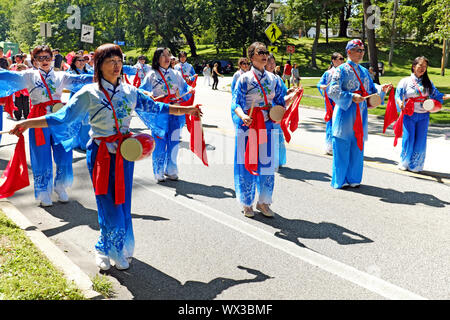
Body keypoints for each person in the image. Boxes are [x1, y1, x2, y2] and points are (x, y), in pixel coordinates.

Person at [8, 43, 201, 271]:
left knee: (122, 201)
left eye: (119, 60)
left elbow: (157, 108)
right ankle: (107, 248)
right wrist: (26, 123)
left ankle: (113, 246)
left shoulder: (130, 92)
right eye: (111, 61)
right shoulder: (88, 94)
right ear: (99, 66)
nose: (117, 65)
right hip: (100, 153)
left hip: (124, 153)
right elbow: (61, 119)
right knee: (106, 202)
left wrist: (187, 110)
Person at [0, 45, 94, 206]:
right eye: (40, 58)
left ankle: (61, 186)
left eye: (47, 57)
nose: (44, 61)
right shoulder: (29, 75)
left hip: (59, 117)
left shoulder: (61, 76)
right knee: (41, 155)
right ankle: (43, 191)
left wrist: (102, 74)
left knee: (65, 154)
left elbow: (82, 80)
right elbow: (7, 77)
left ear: (52, 59)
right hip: (38, 117)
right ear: (34, 60)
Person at [231, 42, 286, 218]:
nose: (264, 55)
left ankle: (264, 201)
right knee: (247, 164)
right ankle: (247, 203)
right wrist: (242, 116)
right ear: (251, 57)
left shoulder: (274, 79)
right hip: (250, 126)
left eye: (266, 52)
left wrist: (284, 104)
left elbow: (280, 101)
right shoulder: (244, 79)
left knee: (267, 165)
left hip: (268, 126)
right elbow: (236, 103)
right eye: (260, 52)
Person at [328, 39, 392, 189]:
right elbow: (333, 90)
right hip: (345, 112)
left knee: (358, 145)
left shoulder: (363, 71)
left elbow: (371, 88)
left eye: (362, 50)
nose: (361, 53)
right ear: (348, 52)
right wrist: (351, 97)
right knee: (342, 145)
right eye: (357, 50)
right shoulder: (341, 70)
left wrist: (381, 88)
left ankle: (354, 178)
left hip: (360, 112)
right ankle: (340, 179)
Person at [140, 47, 195, 182]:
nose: (166, 58)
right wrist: (149, 94)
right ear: (157, 58)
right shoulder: (151, 74)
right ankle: (158, 170)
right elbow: (141, 91)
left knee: (174, 141)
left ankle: (171, 169)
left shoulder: (175, 73)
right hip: (160, 112)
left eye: (168, 55)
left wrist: (190, 89)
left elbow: (184, 87)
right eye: (163, 55)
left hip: (176, 111)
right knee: (159, 142)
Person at [394, 56, 449, 172]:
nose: (422, 68)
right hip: (409, 114)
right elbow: (398, 95)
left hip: (424, 115)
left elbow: (437, 95)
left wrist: (448, 96)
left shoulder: (428, 83)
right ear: (414, 67)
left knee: (420, 140)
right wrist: (400, 103)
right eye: (420, 66)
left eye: (425, 67)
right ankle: (404, 161)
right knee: (409, 138)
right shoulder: (405, 81)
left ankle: (416, 165)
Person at [317, 52, 345, 155]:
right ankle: (329, 146)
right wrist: (322, 87)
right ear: (333, 60)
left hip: (342, 100)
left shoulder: (345, 73)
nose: (342, 61)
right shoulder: (328, 73)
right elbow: (319, 84)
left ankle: (339, 146)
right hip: (331, 102)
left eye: (342, 59)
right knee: (331, 122)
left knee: (341, 123)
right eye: (340, 59)